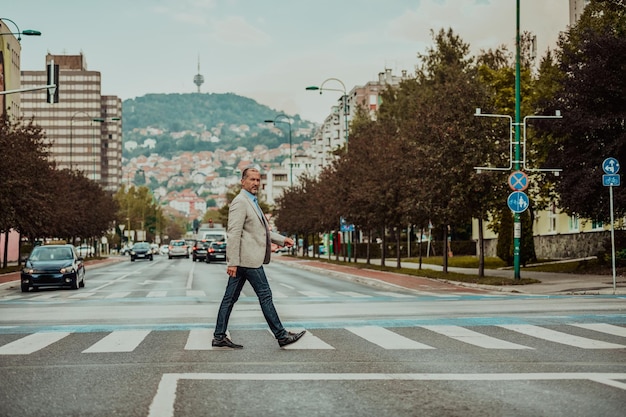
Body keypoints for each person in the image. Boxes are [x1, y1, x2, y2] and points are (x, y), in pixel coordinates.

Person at [212, 166, 305, 349]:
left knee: (229, 299)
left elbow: (262, 231)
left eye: (257, 180)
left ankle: (219, 336)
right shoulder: (241, 202)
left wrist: (282, 239)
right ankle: (281, 335)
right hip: (248, 261)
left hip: (246, 261)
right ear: (243, 181)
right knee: (265, 295)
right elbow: (234, 233)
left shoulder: (252, 201)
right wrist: (232, 262)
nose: (256, 183)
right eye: (252, 179)